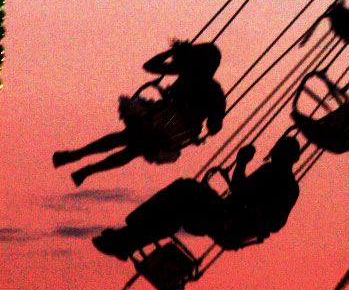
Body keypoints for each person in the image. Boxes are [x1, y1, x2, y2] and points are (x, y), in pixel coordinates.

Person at [91, 134, 301, 260]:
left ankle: (127, 238)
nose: (276, 156)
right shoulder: (269, 171)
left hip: (229, 221)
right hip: (225, 213)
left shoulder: (288, 186)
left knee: (183, 193)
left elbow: (275, 222)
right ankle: (127, 240)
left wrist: (242, 166)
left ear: (291, 158)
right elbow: (240, 189)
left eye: (281, 153)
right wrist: (241, 164)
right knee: (177, 205)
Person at [53, 40, 226, 185]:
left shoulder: (212, 91)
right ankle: (83, 167)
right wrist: (173, 52)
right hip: (164, 122)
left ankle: (78, 159)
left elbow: (214, 127)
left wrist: (210, 119)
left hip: (171, 128)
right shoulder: (192, 75)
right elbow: (150, 66)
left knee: (128, 142)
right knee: (131, 147)